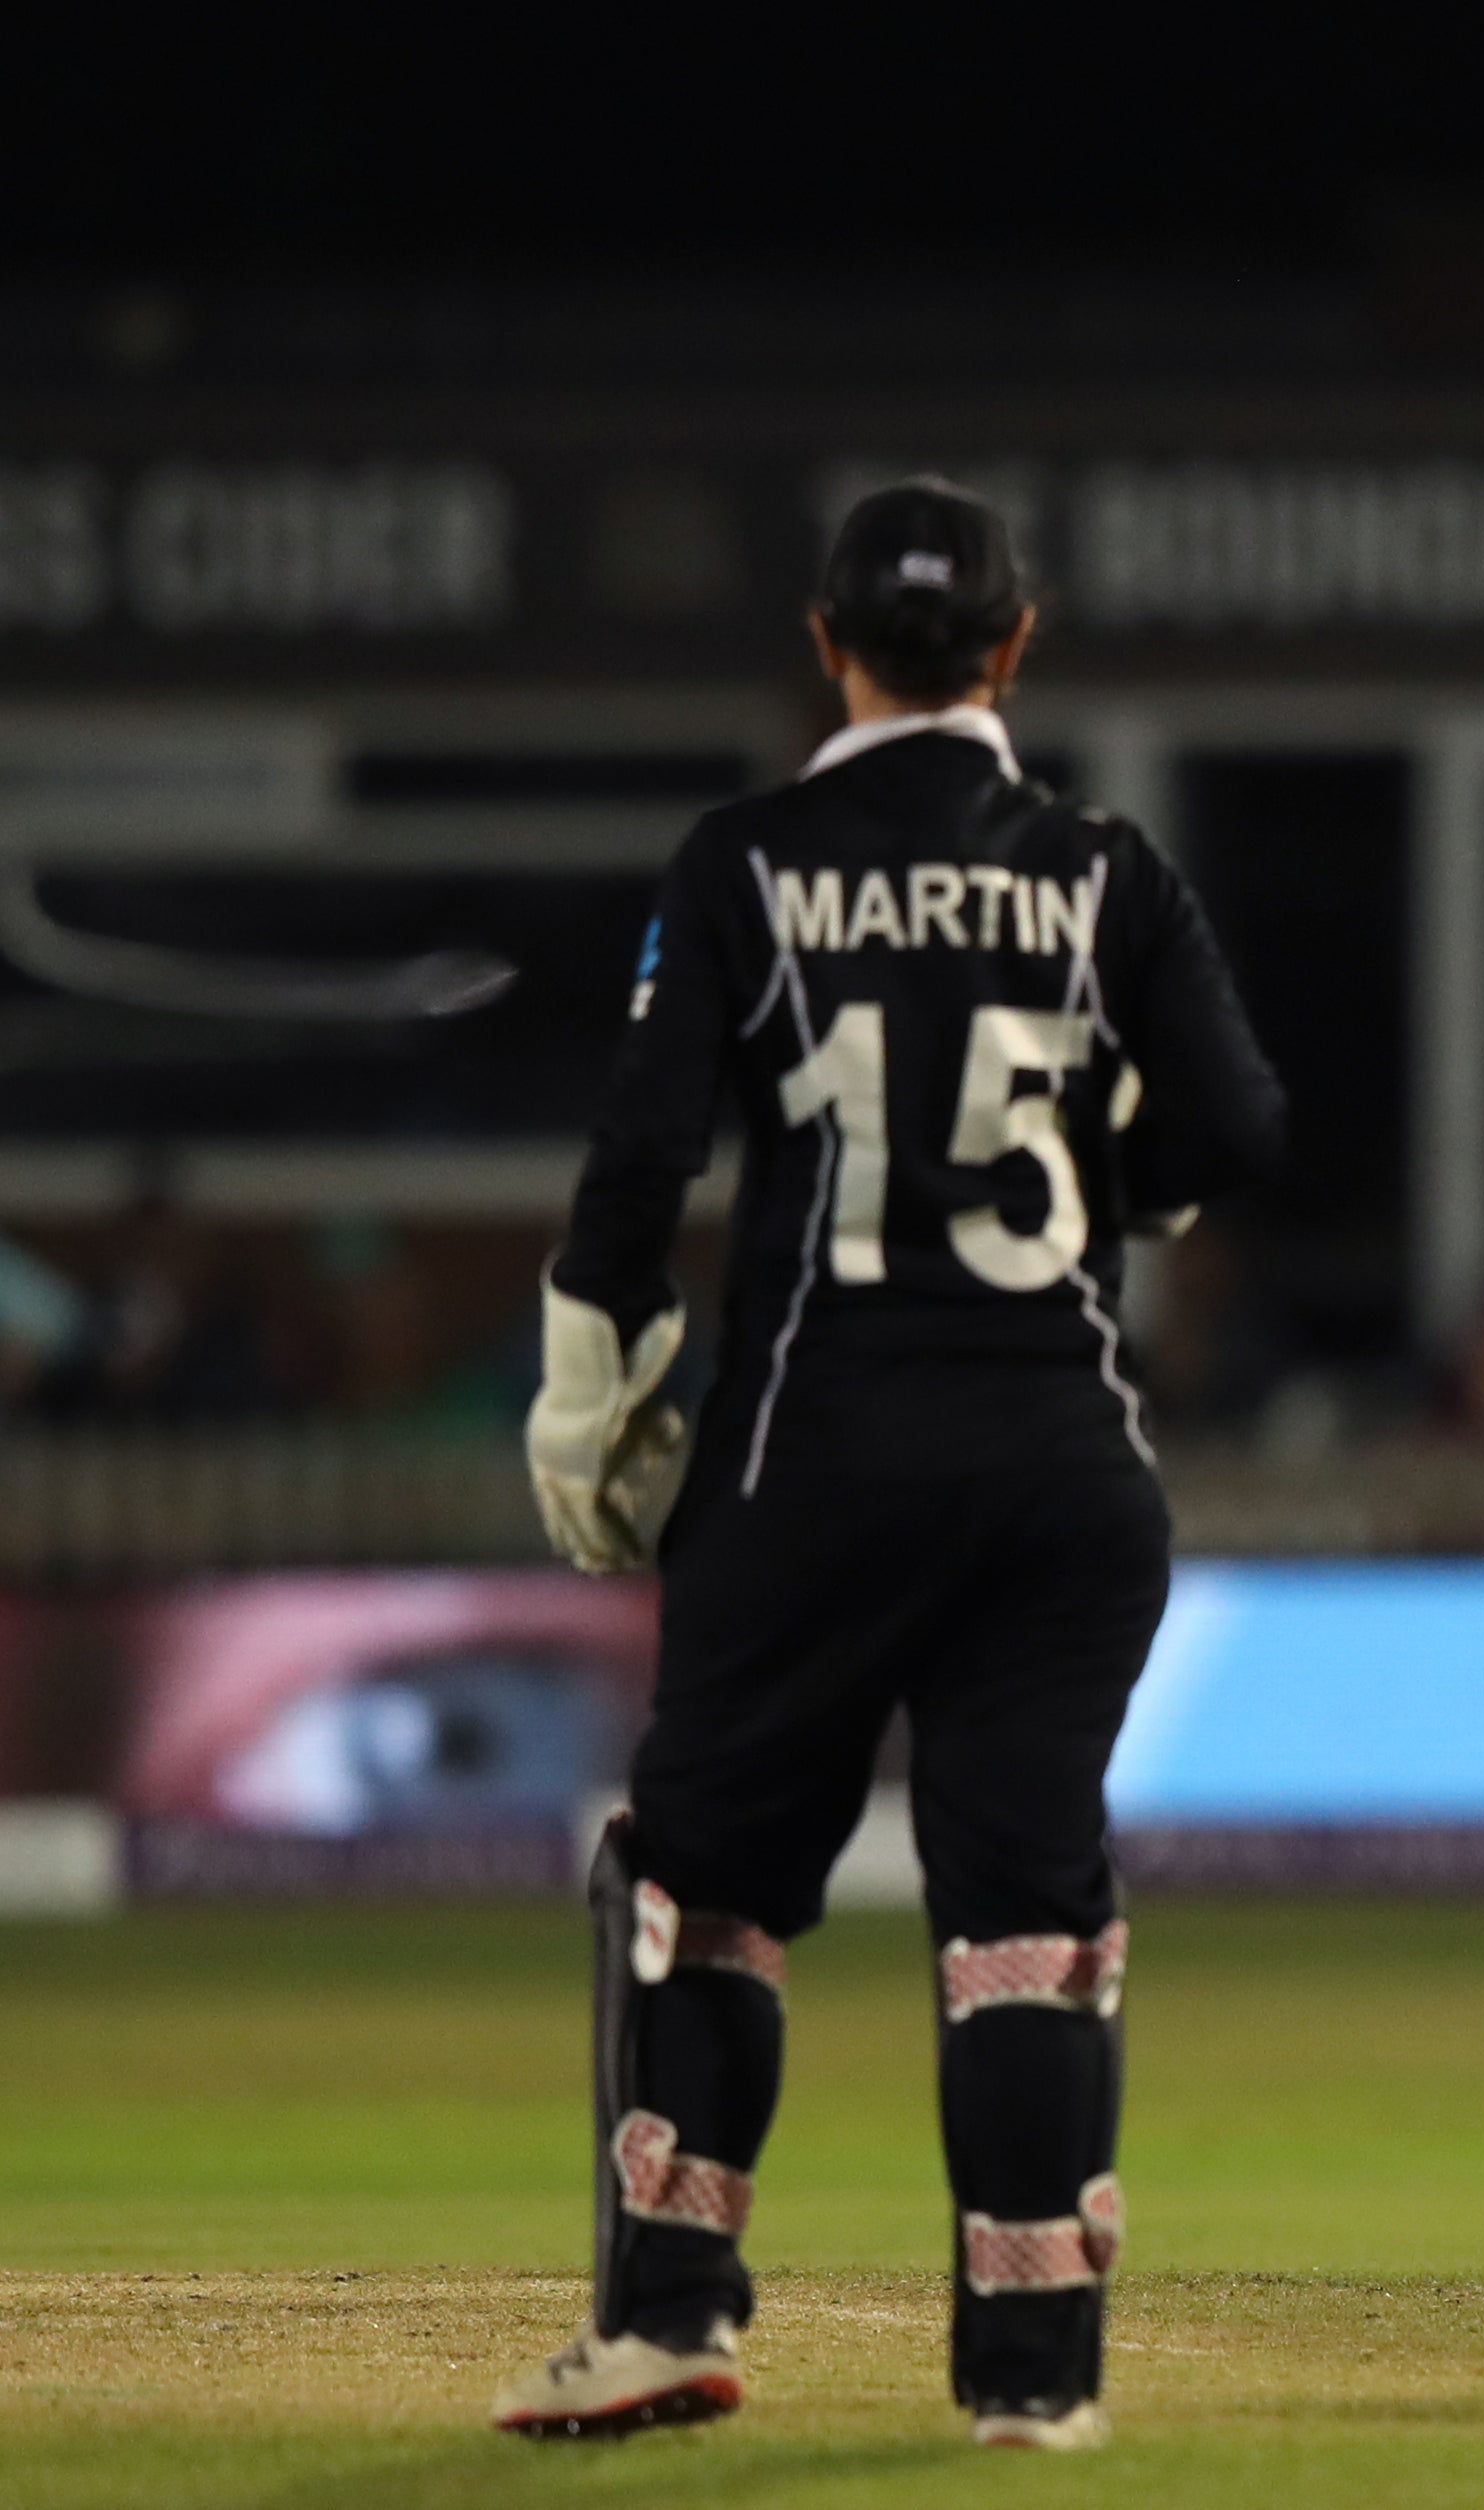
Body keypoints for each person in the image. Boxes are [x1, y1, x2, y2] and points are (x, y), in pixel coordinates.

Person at [490, 479, 1283, 2448]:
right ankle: (1030, 2377)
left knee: (701, 1889)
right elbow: (1241, 1132)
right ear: (1015, 648)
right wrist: (1129, 1187)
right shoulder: (1102, 871)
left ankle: (670, 2311)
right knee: (1022, 1911)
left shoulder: (748, 860)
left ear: (827, 645)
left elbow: (638, 1163)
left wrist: (596, 1376)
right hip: (1059, 1465)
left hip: (812, 1457)